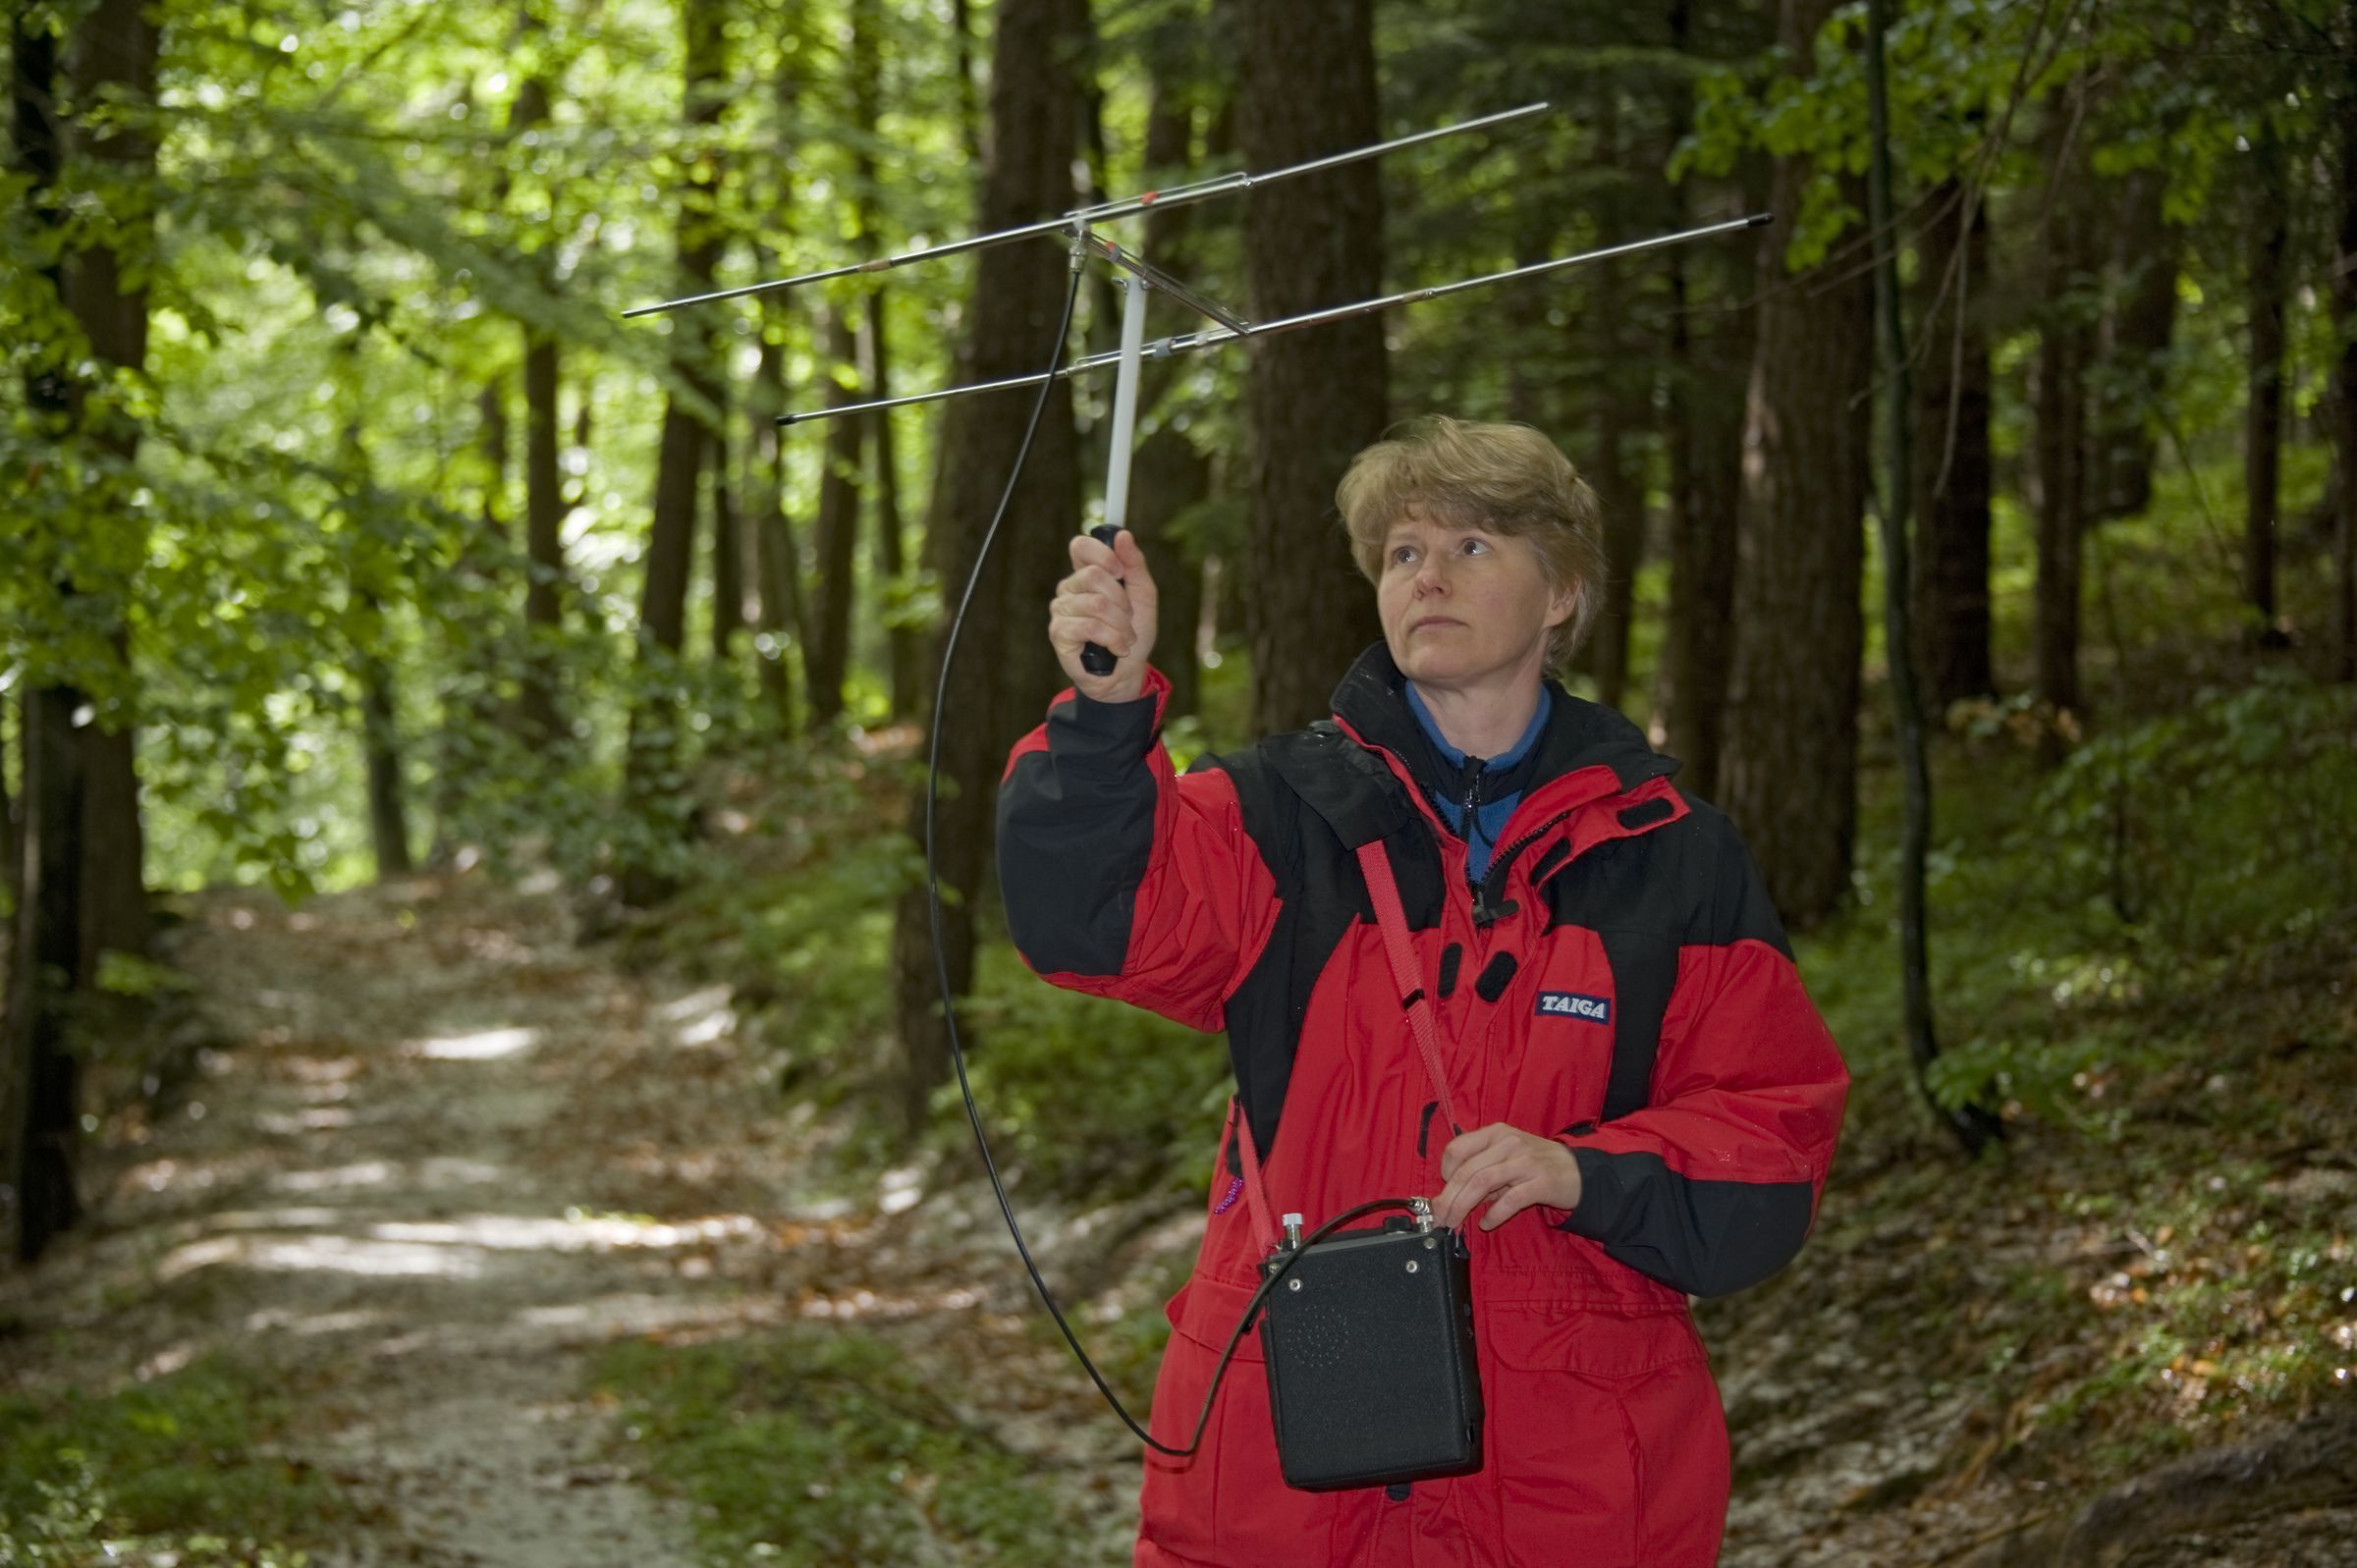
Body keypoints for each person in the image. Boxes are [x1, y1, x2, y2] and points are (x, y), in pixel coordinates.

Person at [996, 415, 1849, 1568]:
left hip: (1565, 1472)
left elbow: (1770, 1136)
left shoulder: (1673, 854)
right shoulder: (1277, 812)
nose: (1428, 577)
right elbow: (1090, 922)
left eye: (1475, 546)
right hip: (1291, 1452)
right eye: (1403, 553)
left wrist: (1584, 1171)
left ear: (1562, 594)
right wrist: (1108, 716)